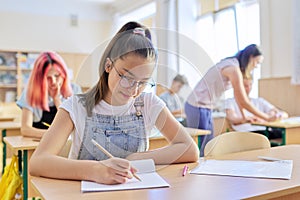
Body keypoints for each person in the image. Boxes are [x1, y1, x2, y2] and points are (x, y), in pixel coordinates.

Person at [29, 21, 199, 185]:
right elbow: (38, 162)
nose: (133, 90)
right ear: (108, 65)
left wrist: (136, 158)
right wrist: (95, 170)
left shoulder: (148, 103)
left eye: (143, 82)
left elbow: (190, 150)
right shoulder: (75, 106)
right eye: (127, 78)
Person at [185, 44, 279, 156]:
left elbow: (240, 99)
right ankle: (195, 171)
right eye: (257, 62)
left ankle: (203, 170)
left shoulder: (233, 66)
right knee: (202, 147)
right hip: (197, 106)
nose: (256, 66)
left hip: (205, 107)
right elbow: (243, 100)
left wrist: (244, 117)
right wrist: (266, 118)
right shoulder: (233, 68)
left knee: (207, 147)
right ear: (250, 57)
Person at [16, 51, 82, 139]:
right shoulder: (30, 93)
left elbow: (75, 125)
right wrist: (53, 135)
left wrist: (56, 99)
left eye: (57, 75)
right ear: (39, 79)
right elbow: (25, 129)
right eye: (48, 78)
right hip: (39, 144)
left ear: (64, 75)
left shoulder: (75, 90)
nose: (53, 82)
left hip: (66, 145)